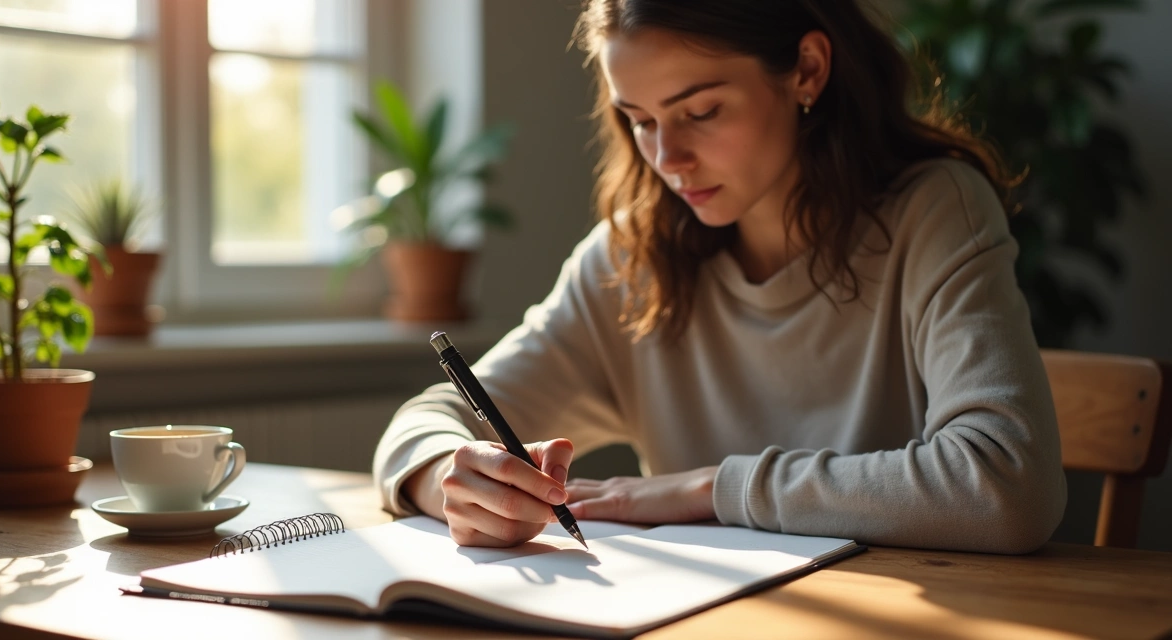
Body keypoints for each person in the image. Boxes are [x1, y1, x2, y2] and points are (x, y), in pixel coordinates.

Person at [373, 0, 1067, 554]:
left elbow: (1006, 486)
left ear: (807, 70)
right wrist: (446, 476)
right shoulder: (629, 258)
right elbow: (428, 418)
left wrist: (710, 489)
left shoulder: (933, 210)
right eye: (639, 119)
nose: (667, 157)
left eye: (701, 111)